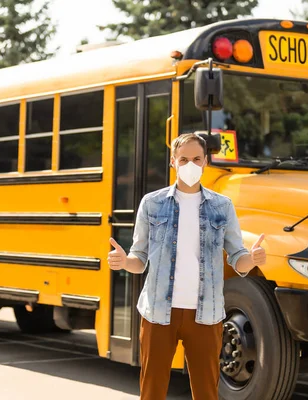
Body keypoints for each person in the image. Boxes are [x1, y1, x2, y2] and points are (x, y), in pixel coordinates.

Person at [107, 133, 266, 400]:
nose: (190, 164)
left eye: (196, 159)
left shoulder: (222, 206)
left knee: (206, 392)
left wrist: (253, 258)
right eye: (183, 159)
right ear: (173, 162)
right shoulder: (152, 203)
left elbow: (238, 257)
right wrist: (124, 262)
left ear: (205, 162)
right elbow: (139, 260)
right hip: (158, 312)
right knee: (152, 390)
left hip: (206, 314)